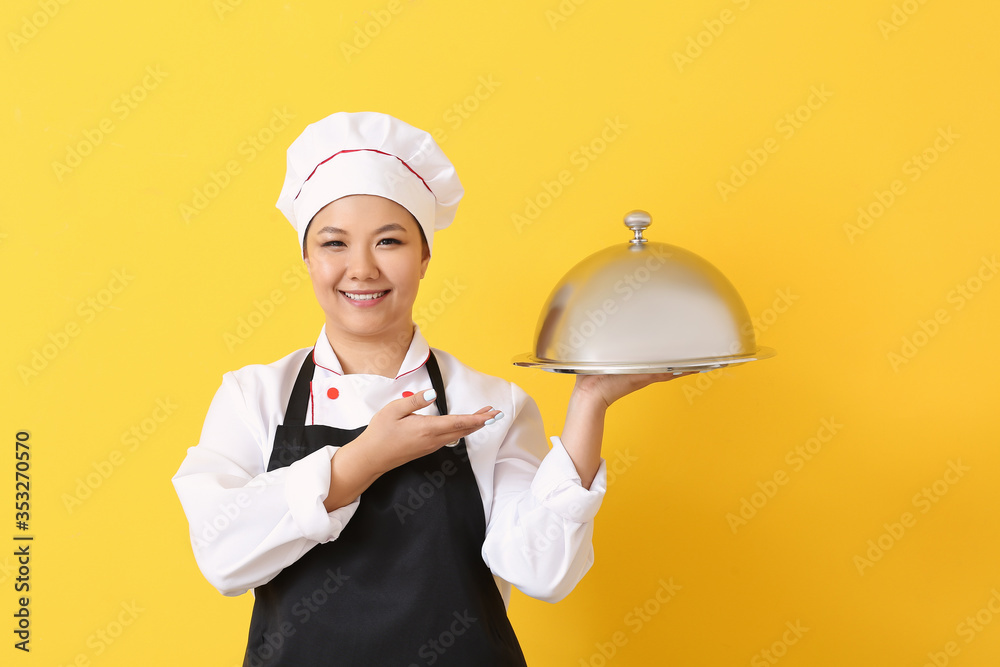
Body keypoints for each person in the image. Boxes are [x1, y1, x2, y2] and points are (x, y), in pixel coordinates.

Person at [172, 111, 690, 666]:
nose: (362, 269)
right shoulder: (254, 397)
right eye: (334, 243)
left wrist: (590, 403)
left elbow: (543, 571)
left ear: (424, 256)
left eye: (389, 241)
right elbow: (222, 556)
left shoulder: (489, 403)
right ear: (306, 256)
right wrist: (361, 461)